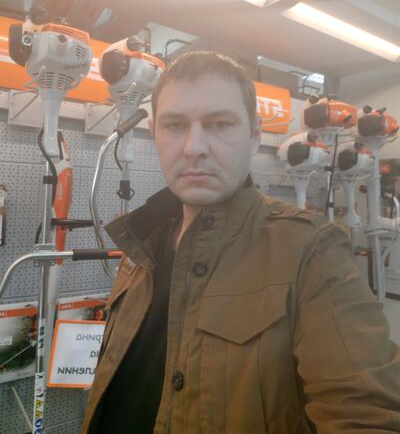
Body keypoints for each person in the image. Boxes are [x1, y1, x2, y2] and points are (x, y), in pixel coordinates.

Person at [83, 51, 400, 433]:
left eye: (219, 124)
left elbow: (367, 415)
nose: (194, 147)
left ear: (254, 135)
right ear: (155, 134)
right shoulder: (140, 245)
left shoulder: (310, 252)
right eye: (174, 125)